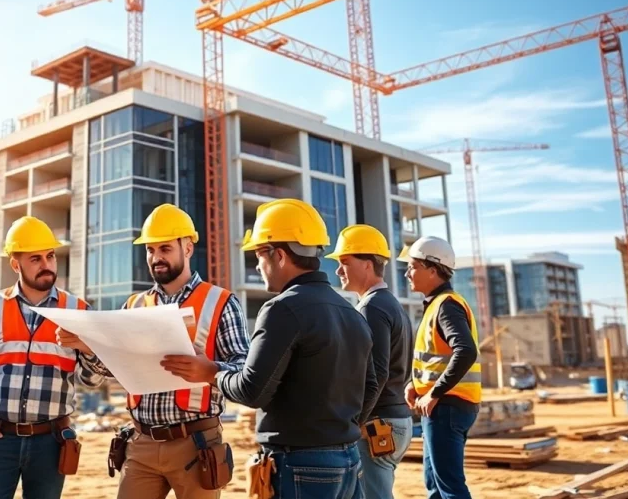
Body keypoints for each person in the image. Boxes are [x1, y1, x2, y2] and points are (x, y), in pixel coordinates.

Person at [166, 199, 375, 499]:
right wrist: (340, 429)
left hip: (301, 463)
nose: (257, 266)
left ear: (278, 255)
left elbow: (252, 390)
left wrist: (211, 371)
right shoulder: (351, 312)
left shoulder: (282, 309)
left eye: (259, 256)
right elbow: (370, 384)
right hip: (348, 459)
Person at [59, 203, 250, 499]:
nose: (156, 258)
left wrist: (209, 369)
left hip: (197, 442)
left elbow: (243, 372)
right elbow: (98, 378)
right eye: (150, 250)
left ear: (187, 248)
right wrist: (88, 345)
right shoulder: (134, 306)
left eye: (165, 249)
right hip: (142, 441)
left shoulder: (220, 302)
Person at [0, 215, 106, 499]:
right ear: (15, 264)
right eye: (35, 259)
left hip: (51, 441)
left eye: (51, 256)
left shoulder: (78, 309)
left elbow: (92, 380)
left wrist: (87, 346)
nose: (47, 265)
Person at [327, 224, 414, 499]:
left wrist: (354, 423)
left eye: (344, 262)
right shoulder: (390, 304)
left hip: (378, 423)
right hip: (394, 419)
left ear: (367, 264)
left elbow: (377, 372)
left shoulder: (372, 307)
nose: (338, 270)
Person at [399, 236, 481, 499]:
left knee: (449, 488)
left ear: (432, 270)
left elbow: (466, 350)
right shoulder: (437, 305)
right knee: (434, 483)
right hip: (442, 406)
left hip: (446, 406)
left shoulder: (446, 306)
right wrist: (416, 384)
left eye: (412, 267)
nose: (407, 273)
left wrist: (434, 392)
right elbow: (436, 357)